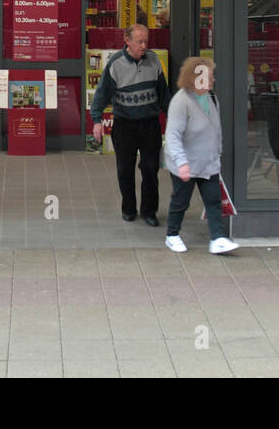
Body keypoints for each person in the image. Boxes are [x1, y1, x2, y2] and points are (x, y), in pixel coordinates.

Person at [90, 23, 170, 225]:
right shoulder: (115, 64)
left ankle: (149, 212)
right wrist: (97, 121)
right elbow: (101, 94)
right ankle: (129, 208)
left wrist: (173, 117)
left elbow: (164, 95)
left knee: (150, 169)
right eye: (139, 42)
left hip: (150, 124)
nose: (143, 46)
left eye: (146, 41)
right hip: (125, 125)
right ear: (127, 41)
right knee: (125, 169)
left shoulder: (154, 61)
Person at [163, 57, 239, 255]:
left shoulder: (211, 98)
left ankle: (217, 238)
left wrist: (218, 153)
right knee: (181, 201)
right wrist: (182, 163)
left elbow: (216, 129)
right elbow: (173, 135)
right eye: (210, 76)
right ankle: (172, 235)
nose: (213, 80)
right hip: (185, 163)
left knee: (213, 201)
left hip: (208, 162)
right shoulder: (181, 102)